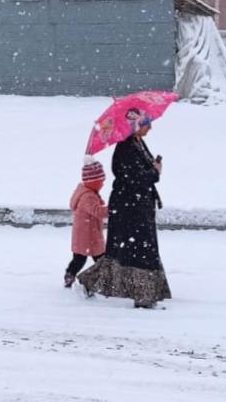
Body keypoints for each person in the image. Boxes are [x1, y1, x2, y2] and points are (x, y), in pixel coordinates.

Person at [77, 110, 171, 309]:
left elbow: (139, 175)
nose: (150, 127)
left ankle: (94, 282)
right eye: (146, 123)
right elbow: (134, 179)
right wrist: (154, 172)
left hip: (136, 206)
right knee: (136, 251)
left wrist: (153, 168)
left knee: (130, 251)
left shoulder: (136, 143)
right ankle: (142, 295)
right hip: (130, 209)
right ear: (135, 125)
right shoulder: (126, 148)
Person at [64, 160, 108, 287]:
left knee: (82, 259)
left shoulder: (88, 192)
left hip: (87, 234)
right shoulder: (87, 197)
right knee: (90, 260)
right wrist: (112, 209)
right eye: (101, 181)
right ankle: (71, 276)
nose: (103, 183)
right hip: (87, 236)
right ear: (92, 182)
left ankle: (71, 275)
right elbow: (97, 211)